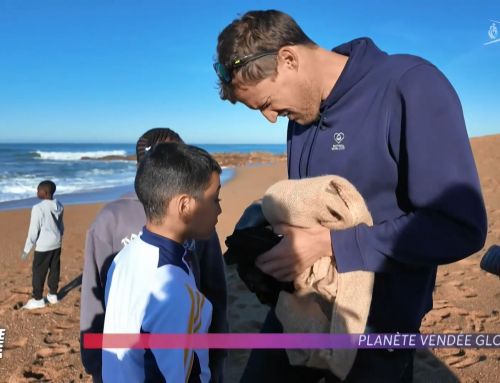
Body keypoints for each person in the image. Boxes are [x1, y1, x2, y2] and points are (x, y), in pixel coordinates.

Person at [213, 10, 487, 383]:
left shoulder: (410, 86)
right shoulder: (301, 115)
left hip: (378, 327)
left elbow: (461, 226)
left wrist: (330, 244)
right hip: (301, 309)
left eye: (266, 104)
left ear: (289, 59)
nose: (271, 119)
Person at [80, 128, 228, 383]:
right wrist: (94, 364)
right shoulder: (172, 284)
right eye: (215, 199)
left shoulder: (127, 256)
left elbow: (215, 289)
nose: (220, 209)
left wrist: (218, 353)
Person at [21, 180, 64, 310]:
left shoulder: (38, 208)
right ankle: (52, 295)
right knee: (54, 269)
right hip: (57, 243)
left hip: (43, 246)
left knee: (38, 271)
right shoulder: (59, 205)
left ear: (45, 192)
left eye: (38, 190)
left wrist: (27, 248)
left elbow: (34, 231)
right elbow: (61, 225)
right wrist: (59, 235)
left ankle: (38, 299)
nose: (36, 192)